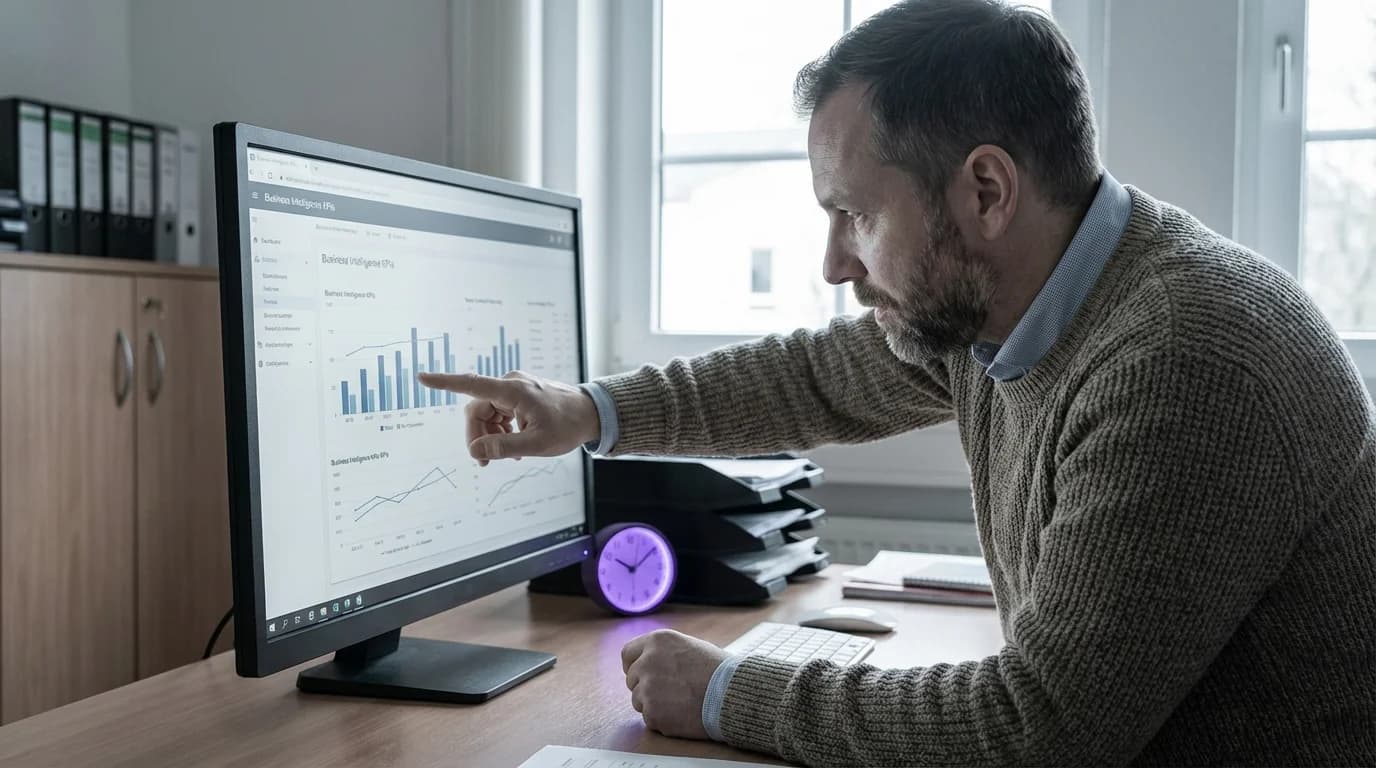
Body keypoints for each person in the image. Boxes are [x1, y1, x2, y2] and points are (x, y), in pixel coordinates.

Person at [419, 0, 1376, 764]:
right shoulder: (1009, 305)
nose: (835, 264)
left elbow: (1036, 732)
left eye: (855, 215)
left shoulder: (1182, 360)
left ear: (986, 191)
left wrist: (725, 693)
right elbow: (817, 377)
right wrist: (590, 411)